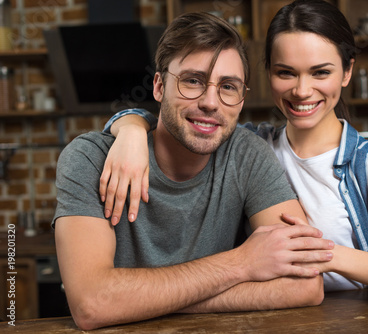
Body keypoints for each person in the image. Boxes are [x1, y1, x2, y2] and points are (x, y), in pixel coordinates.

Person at [101, 0, 368, 307]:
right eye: (286, 73)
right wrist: (131, 128)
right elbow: (184, 121)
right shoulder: (247, 147)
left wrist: (332, 256)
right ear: (268, 75)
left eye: (320, 72)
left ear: (346, 72)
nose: (302, 90)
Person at [53, 11, 337, 331]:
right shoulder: (89, 158)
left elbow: (306, 285)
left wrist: (143, 302)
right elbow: (93, 304)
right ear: (159, 87)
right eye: (192, 81)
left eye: (228, 86)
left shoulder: (247, 154)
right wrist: (242, 263)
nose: (210, 102)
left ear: (241, 100)